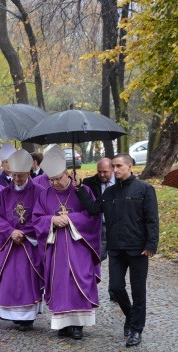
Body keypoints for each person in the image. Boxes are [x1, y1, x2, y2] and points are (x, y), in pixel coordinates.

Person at [75, 153, 159, 347]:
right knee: (115, 287)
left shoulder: (145, 189)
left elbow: (152, 220)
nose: (115, 170)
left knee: (138, 291)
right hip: (116, 248)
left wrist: (151, 245)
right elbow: (94, 209)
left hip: (138, 249)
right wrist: (79, 189)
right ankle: (130, 315)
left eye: (119, 166)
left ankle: (136, 330)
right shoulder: (110, 192)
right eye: (113, 166)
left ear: (130, 166)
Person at [32, 145, 102, 341]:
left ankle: (78, 324)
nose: (54, 183)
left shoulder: (83, 190)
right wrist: (52, 221)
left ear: (67, 174)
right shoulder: (45, 194)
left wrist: (71, 220)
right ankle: (63, 324)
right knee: (60, 283)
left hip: (79, 247)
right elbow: (36, 219)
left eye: (58, 178)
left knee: (79, 280)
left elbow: (93, 215)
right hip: (56, 250)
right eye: (51, 179)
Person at [0, 149, 45, 330]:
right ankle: (12, 314)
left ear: (28, 173)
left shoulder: (39, 191)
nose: (17, 180)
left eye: (20, 176)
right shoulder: (5, 193)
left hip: (29, 243)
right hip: (10, 243)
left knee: (27, 279)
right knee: (11, 279)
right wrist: (11, 232)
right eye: (14, 176)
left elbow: (41, 216)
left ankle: (28, 317)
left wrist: (25, 232)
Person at [82, 158, 115, 262]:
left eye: (105, 172)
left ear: (112, 169)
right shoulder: (89, 183)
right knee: (98, 256)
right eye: (99, 171)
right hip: (100, 224)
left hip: (117, 225)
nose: (101, 175)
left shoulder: (121, 182)